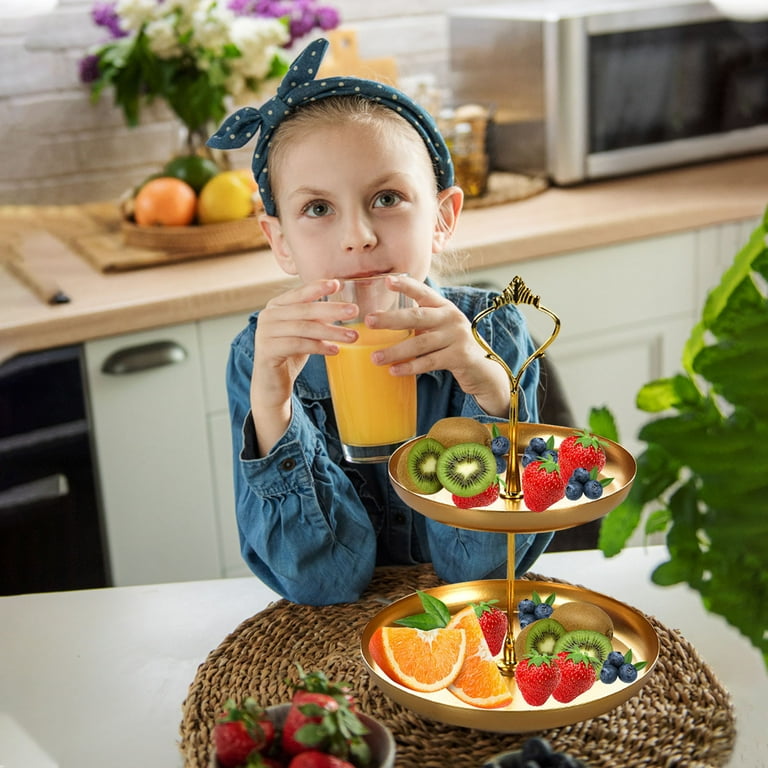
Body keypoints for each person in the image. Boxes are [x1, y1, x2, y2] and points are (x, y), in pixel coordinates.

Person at [208, 38, 553, 605]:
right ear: (281, 242)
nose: (358, 236)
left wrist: (490, 395)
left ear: (443, 218)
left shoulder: (494, 335)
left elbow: (481, 573)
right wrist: (272, 410)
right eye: (318, 209)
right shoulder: (259, 357)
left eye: (387, 198)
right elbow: (322, 584)